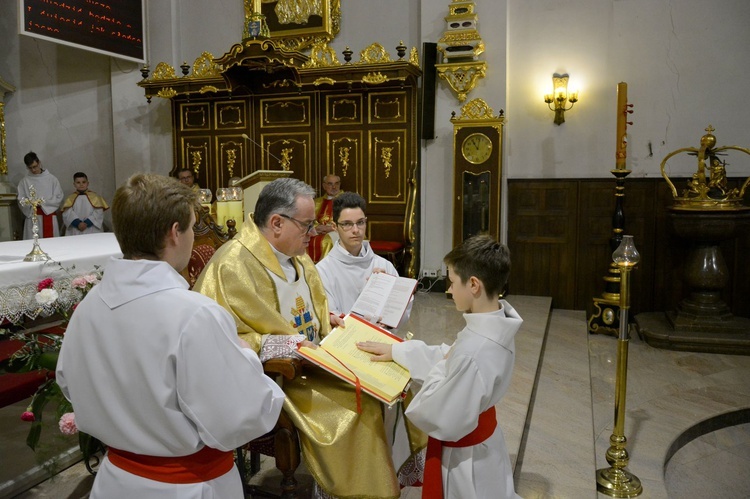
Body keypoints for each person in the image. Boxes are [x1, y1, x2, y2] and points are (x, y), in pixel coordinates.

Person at [56, 173, 285, 499]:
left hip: (115, 480)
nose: (193, 236)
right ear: (175, 233)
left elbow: (69, 384)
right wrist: (244, 353)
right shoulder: (195, 314)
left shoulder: (90, 305)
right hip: (188, 486)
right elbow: (244, 415)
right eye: (192, 227)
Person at [194, 177, 418, 498]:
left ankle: (378, 481)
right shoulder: (233, 266)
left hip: (312, 360)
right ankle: (346, 490)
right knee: (362, 404)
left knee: (393, 378)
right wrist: (285, 344)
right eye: (307, 225)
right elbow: (216, 338)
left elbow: (307, 308)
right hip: (276, 377)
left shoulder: (297, 256)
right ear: (276, 223)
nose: (313, 233)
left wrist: (326, 319)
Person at [358, 235, 524, 499]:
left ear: (473, 285)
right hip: (485, 445)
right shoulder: (496, 323)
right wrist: (398, 350)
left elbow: (438, 412)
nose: (448, 290)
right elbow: (449, 358)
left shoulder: (476, 350)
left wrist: (439, 370)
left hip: (465, 464)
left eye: (452, 281)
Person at [316, 191, 412, 331]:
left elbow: (403, 311)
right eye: (347, 224)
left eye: (360, 222)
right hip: (344, 344)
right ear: (335, 227)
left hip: (380, 341)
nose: (356, 230)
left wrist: (383, 293)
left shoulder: (384, 265)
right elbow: (329, 315)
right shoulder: (323, 270)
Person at [17, 151, 64, 239]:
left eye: (35, 166)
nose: (33, 170)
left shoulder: (52, 179)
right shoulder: (24, 181)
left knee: (51, 246)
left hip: (48, 215)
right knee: (33, 244)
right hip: (32, 217)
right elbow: (21, 200)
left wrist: (42, 203)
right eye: (30, 168)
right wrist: (32, 204)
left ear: (39, 162)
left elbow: (58, 197)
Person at [307, 173, 342, 262]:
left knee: (326, 241)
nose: (334, 187)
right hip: (318, 232)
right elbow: (309, 219)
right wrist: (316, 228)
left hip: (339, 232)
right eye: (330, 184)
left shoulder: (346, 200)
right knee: (305, 240)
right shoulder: (316, 202)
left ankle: (326, 269)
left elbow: (350, 220)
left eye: (336, 183)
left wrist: (332, 228)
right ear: (324, 186)